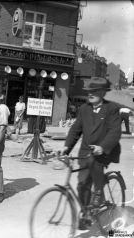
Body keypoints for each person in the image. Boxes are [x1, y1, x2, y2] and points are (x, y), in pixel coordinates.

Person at [60, 77, 121, 230]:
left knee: (95, 166)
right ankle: (86, 213)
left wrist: (102, 147)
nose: (90, 94)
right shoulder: (84, 109)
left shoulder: (111, 109)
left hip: (104, 151)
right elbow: (75, 130)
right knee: (82, 184)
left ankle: (99, 194)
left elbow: (115, 132)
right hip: (86, 152)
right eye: (89, 92)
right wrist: (66, 147)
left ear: (102, 92)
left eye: (94, 91)